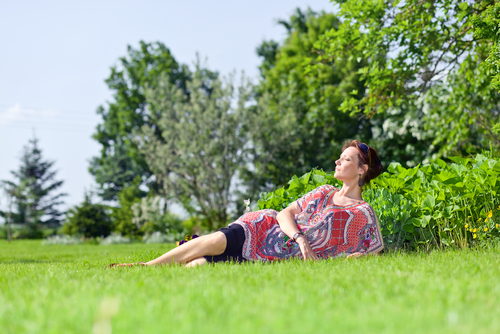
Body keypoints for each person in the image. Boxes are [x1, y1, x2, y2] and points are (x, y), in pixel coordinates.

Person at [109, 139, 384, 268]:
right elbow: (286, 213)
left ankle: (174, 261)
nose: (337, 161)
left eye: (345, 159)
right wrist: (301, 240)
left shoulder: (362, 212)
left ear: (362, 169)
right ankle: (148, 266)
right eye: (339, 157)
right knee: (215, 242)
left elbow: (376, 248)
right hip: (264, 229)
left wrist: (362, 256)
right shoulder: (323, 192)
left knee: (200, 266)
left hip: (275, 256)